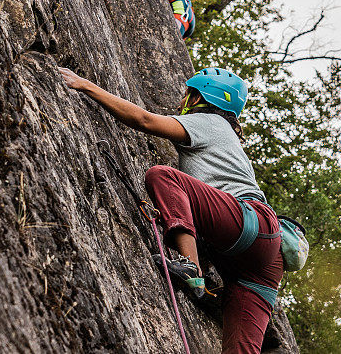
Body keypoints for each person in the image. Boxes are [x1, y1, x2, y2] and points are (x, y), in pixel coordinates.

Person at [59, 66, 283, 354]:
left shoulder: (209, 122)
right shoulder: (232, 143)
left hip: (246, 222)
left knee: (163, 176)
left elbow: (144, 120)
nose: (181, 101)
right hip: (265, 256)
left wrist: (85, 85)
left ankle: (190, 265)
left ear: (199, 98)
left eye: (186, 94)